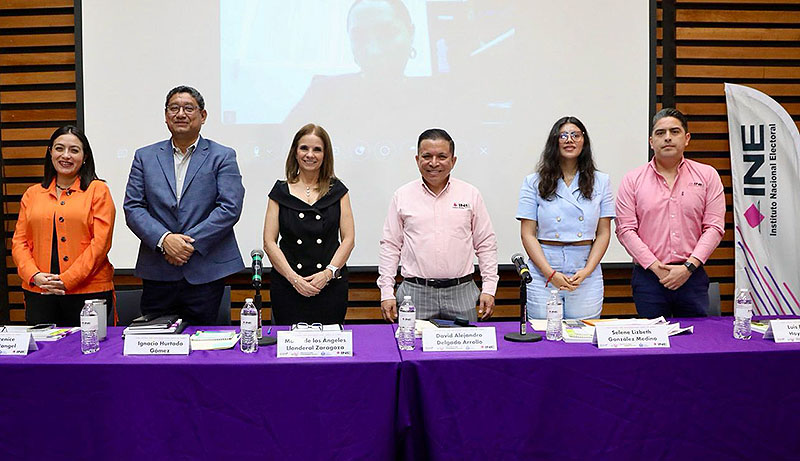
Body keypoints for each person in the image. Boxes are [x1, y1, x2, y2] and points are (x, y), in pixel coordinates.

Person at [124, 85, 245, 325]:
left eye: (188, 108)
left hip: (206, 271)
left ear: (203, 115)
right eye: (174, 108)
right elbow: (133, 207)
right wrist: (165, 240)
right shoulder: (144, 156)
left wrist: (187, 244)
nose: (181, 114)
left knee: (204, 351)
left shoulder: (222, 155)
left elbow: (229, 207)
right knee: (155, 348)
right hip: (157, 270)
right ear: (166, 115)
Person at [378, 128, 498, 323]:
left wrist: (489, 289)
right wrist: (386, 292)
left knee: (465, 352)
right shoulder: (402, 196)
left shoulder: (470, 194)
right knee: (413, 351)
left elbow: (486, 244)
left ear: (453, 160)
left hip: (462, 293)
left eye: (442, 156)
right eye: (427, 156)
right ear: (417, 159)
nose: (434, 163)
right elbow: (390, 245)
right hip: (415, 294)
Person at [615, 108, 725, 318]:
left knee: (697, 343)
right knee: (653, 346)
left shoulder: (707, 175)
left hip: (692, 275)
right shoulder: (632, 180)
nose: (667, 138)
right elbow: (625, 230)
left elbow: (714, 227)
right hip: (649, 278)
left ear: (687, 138)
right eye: (660, 133)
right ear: (651, 141)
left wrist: (687, 268)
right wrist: (657, 269)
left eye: (674, 132)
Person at [12, 126, 115, 326]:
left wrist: (67, 279)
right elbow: (19, 242)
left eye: (74, 150)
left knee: (90, 354)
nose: (66, 155)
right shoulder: (32, 194)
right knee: (44, 355)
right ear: (50, 152)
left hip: (89, 291)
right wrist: (34, 276)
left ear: (85, 156)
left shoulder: (98, 191)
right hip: (39, 291)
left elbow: (100, 244)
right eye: (59, 148)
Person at [516, 116, 615, 320]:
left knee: (583, 336)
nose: (569, 140)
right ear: (554, 141)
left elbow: (604, 233)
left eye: (575, 135)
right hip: (543, 266)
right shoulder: (533, 182)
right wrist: (549, 273)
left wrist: (587, 270)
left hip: (585, 266)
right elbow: (528, 234)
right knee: (544, 336)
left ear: (584, 141)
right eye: (563, 135)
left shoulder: (602, 182)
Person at [263, 124, 355, 325]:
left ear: (325, 155)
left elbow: (348, 239)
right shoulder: (280, 191)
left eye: (317, 149)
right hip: (288, 285)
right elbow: (269, 242)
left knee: (329, 349)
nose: (310, 155)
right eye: (304, 148)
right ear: (295, 152)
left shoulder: (338, 191)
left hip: (330, 286)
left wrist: (328, 273)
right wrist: (293, 278)